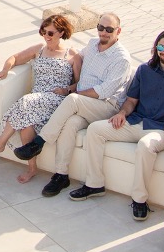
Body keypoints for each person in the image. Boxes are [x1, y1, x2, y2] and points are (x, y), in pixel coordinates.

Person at [70, 28, 164, 220]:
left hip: (161, 129)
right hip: (136, 121)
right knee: (95, 130)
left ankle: (139, 200)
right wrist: (122, 113)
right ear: (156, 48)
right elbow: (131, 100)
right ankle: (94, 184)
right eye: (161, 46)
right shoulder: (144, 70)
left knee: (145, 146)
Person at [17, 13, 131, 198]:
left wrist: (72, 92)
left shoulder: (121, 59)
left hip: (106, 106)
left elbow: (103, 91)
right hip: (86, 104)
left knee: (72, 100)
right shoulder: (93, 44)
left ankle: (39, 142)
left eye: (109, 29)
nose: (104, 32)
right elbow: (76, 57)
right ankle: (61, 175)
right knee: (69, 125)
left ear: (118, 31)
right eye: (101, 27)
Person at [0, 14, 80, 184]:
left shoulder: (72, 55)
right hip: (36, 99)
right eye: (44, 32)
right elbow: (14, 58)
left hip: (56, 99)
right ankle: (32, 168)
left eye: (51, 33)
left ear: (62, 33)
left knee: (25, 101)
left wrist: (67, 89)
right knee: (26, 126)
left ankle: (0, 142)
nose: (46, 36)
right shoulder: (39, 49)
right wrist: (5, 69)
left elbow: (80, 83)